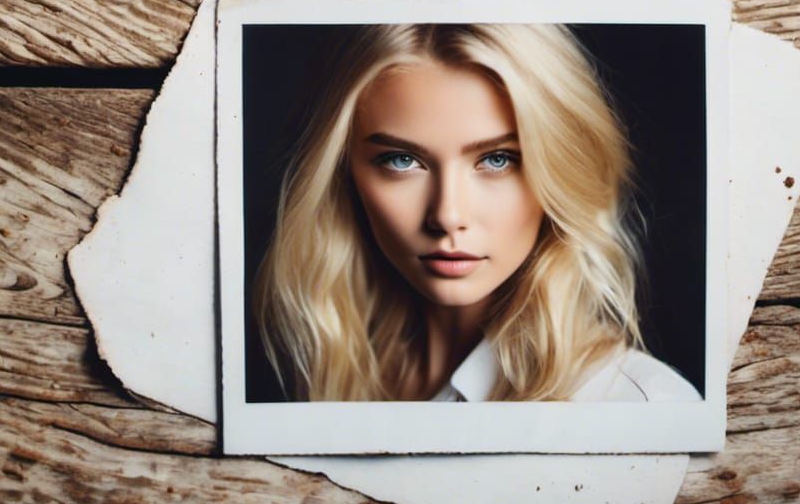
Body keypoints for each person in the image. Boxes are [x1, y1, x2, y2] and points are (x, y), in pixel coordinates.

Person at [252, 23, 697, 403]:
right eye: (402, 160)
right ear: (345, 172)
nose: (447, 216)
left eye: (498, 159)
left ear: (560, 171)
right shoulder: (328, 373)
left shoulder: (637, 405)